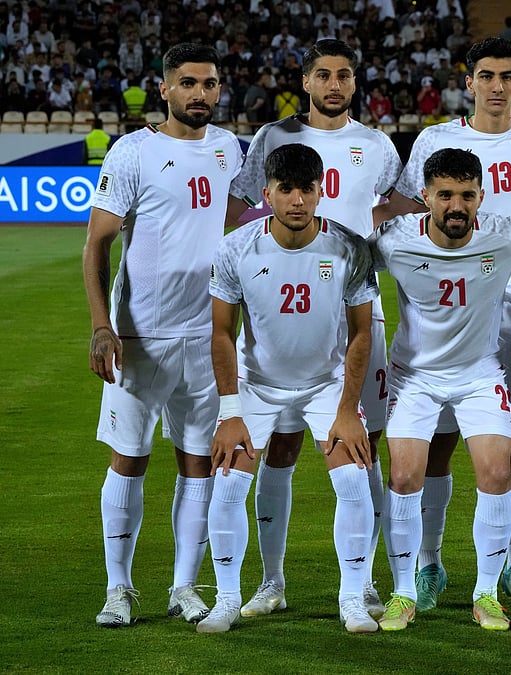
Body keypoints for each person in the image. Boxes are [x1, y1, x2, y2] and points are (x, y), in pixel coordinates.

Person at [377, 36, 511, 613]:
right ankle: (427, 564)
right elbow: (407, 208)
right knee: (435, 446)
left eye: (509, 76)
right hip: (449, 306)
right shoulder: (436, 140)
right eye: (487, 76)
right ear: (467, 81)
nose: (498, 86)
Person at [225, 38, 401, 621]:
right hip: (283, 305)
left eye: (344, 76)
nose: (334, 84)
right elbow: (241, 208)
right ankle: (270, 582)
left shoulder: (376, 144)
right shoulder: (272, 139)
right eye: (323, 74)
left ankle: (365, 581)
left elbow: (394, 207)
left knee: (359, 443)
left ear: (355, 83)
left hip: (355, 308)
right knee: (279, 443)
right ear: (305, 81)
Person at [84, 43, 238, 628]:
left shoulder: (229, 150)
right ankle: (118, 589)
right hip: (139, 335)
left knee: (199, 462)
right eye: (189, 83)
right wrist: (102, 325)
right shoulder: (134, 152)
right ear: (166, 88)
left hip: (205, 335)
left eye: (211, 84)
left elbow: (242, 226)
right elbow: (97, 243)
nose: (202, 94)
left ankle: (183, 587)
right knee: (130, 458)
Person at [370, 147, 511, 631]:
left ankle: (486, 593)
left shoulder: (506, 237)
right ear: (425, 196)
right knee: (406, 477)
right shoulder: (394, 240)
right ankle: (404, 591)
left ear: (481, 196)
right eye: (445, 195)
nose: (457, 206)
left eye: (467, 195)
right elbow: (343, 256)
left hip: (480, 375)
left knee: (496, 473)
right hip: (414, 377)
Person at [200, 143, 379, 634]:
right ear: (267, 194)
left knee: (353, 480)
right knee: (229, 482)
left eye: (307, 189)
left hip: (325, 385)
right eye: (286, 190)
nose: (297, 200)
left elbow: (362, 333)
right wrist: (230, 410)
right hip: (256, 385)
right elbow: (221, 332)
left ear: (321, 192)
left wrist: (347, 408)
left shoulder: (348, 247)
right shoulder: (235, 247)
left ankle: (353, 598)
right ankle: (228, 599)